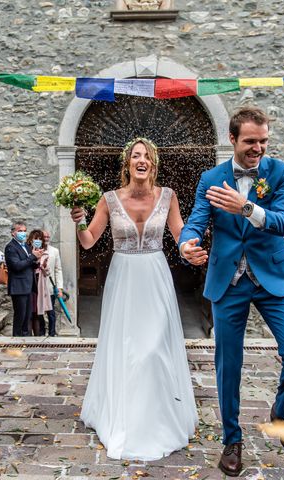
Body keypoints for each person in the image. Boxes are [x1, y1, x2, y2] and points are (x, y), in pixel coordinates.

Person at [180, 107, 284, 476]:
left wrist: (248, 207)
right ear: (233, 139)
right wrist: (187, 244)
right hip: (229, 282)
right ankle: (231, 439)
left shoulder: (280, 173)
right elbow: (196, 221)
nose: (258, 148)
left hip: (273, 277)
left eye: (264, 141)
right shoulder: (212, 178)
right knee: (229, 366)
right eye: (251, 141)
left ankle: (281, 413)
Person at [71, 138, 199, 461]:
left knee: (153, 349)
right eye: (135, 156)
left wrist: (189, 249)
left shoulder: (167, 197)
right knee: (128, 347)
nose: (141, 160)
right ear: (127, 163)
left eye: (147, 156)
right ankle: (127, 419)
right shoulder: (109, 200)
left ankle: (157, 419)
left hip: (154, 276)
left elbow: (180, 232)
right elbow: (88, 242)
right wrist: (79, 220)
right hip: (124, 278)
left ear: (154, 164)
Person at [5, 221, 44, 336]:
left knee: (27, 316)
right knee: (20, 316)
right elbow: (16, 266)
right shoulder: (11, 247)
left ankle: (25, 339)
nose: (23, 233)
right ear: (13, 233)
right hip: (18, 287)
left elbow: (30, 264)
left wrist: (37, 260)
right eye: (20, 231)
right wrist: (33, 256)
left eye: (24, 231)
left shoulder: (26, 246)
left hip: (28, 286)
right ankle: (16, 339)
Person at [27, 229, 51, 336]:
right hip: (29, 283)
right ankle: (27, 336)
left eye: (39, 239)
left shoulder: (44, 253)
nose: (37, 241)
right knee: (29, 313)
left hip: (39, 284)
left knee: (37, 313)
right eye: (35, 239)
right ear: (31, 240)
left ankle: (36, 337)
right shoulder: (27, 251)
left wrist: (44, 266)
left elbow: (47, 272)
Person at [43, 230, 63, 336]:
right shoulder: (35, 250)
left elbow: (58, 270)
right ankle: (40, 333)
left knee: (51, 312)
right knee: (39, 313)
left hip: (50, 287)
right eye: (44, 236)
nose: (46, 238)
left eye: (47, 237)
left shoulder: (54, 251)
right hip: (38, 287)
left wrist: (59, 287)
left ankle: (52, 333)